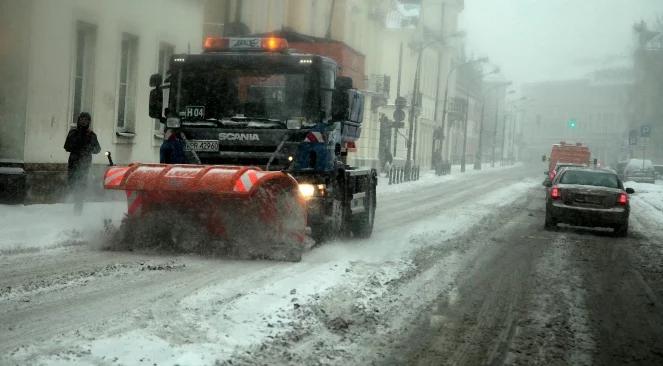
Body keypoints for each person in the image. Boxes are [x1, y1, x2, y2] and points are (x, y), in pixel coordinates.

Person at [64, 112, 101, 215]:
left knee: (81, 185)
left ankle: (78, 208)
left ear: (89, 122)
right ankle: (75, 200)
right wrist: (76, 146)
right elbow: (66, 146)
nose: (84, 121)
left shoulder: (91, 135)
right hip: (73, 162)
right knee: (72, 183)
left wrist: (88, 148)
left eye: (86, 120)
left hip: (84, 164)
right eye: (82, 119)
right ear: (78, 120)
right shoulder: (73, 133)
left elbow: (98, 149)